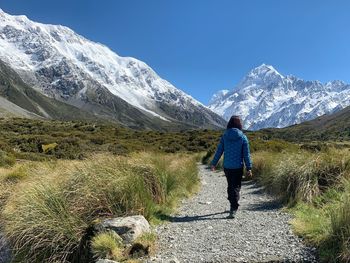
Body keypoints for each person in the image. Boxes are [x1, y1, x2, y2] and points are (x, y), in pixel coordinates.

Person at [210, 115, 252, 219]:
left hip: (227, 166)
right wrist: (249, 167)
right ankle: (234, 207)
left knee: (230, 185)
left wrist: (213, 163)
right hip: (238, 166)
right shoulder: (243, 137)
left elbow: (219, 151)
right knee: (236, 187)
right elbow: (246, 154)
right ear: (239, 124)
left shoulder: (225, 136)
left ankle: (232, 201)